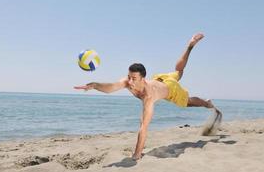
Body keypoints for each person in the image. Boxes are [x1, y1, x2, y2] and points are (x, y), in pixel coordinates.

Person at [74, 33, 222, 160]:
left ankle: (207, 103)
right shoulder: (128, 81)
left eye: (134, 78)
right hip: (161, 79)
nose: (130, 82)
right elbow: (111, 87)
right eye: (129, 77)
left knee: (188, 102)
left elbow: (144, 127)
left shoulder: (148, 97)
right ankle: (190, 46)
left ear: (143, 79)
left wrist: (137, 154)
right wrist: (95, 85)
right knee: (178, 71)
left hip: (171, 89)